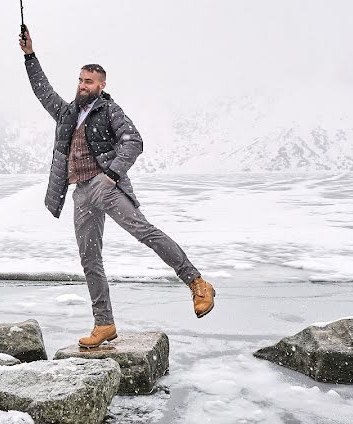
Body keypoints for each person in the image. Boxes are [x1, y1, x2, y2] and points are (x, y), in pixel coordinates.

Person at [19, 26, 215, 349]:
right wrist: (30, 56)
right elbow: (43, 92)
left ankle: (197, 283)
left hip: (104, 185)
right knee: (89, 259)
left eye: (89, 82)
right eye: (81, 80)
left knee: (144, 232)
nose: (83, 85)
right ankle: (104, 322)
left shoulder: (109, 110)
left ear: (101, 85)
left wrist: (111, 173)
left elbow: (133, 141)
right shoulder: (67, 113)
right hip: (81, 193)